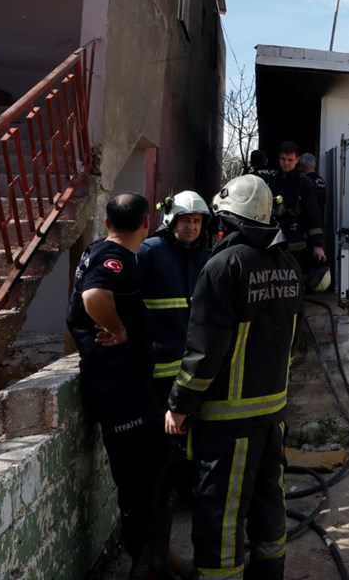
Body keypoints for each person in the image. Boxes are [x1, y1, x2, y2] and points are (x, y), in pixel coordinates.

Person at [164, 175, 302, 580]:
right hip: (272, 411)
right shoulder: (289, 265)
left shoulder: (223, 267)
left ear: (230, 218)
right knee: (268, 499)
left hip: (227, 419)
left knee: (220, 509)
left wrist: (179, 403)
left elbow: (205, 351)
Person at [66, 193, 165, 578]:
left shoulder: (96, 248)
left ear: (107, 223)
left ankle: (152, 555)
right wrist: (119, 330)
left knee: (151, 470)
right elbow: (93, 295)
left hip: (126, 384)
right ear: (146, 224)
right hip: (118, 387)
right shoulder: (118, 260)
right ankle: (144, 563)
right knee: (138, 482)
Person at [137, 190, 211, 578]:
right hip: (156, 383)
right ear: (170, 219)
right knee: (160, 472)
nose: (191, 226)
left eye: (197, 221)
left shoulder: (204, 255)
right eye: (185, 220)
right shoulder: (149, 253)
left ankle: (178, 555)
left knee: (189, 464)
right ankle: (155, 560)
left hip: (191, 381)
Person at [270, 141, 326, 286]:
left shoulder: (304, 182)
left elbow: (313, 215)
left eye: (290, 160)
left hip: (297, 247)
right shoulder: (273, 181)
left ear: (297, 160)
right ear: (279, 158)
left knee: (294, 283)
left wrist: (317, 245)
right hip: (275, 243)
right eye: (283, 159)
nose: (286, 163)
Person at [297, 152, 327, 225]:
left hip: (308, 221)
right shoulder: (322, 181)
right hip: (320, 220)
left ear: (302, 165)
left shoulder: (304, 181)